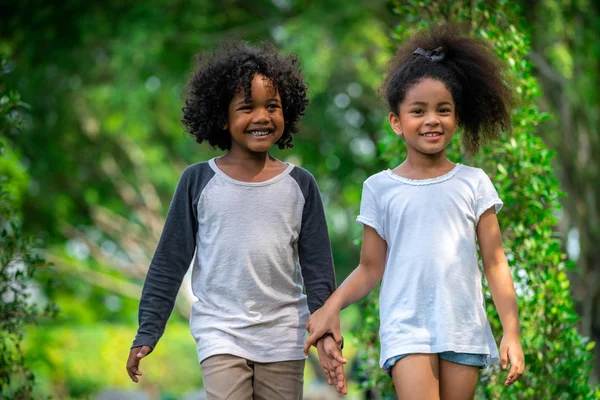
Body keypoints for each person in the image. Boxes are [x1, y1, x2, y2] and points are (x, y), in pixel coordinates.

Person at [304, 25, 525, 399]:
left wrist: (512, 332)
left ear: (457, 117)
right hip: (406, 328)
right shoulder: (380, 187)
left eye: (443, 110)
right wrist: (331, 306)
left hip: (463, 326)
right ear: (396, 121)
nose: (432, 120)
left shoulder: (473, 183)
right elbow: (370, 267)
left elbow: (495, 262)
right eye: (418, 111)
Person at [125, 41, 346, 399]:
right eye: (247, 108)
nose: (262, 116)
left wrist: (324, 334)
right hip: (221, 331)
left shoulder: (300, 185)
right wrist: (148, 330)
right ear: (222, 119)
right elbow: (169, 261)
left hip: (284, 334)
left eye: (272, 106)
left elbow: (318, 270)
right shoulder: (198, 181)